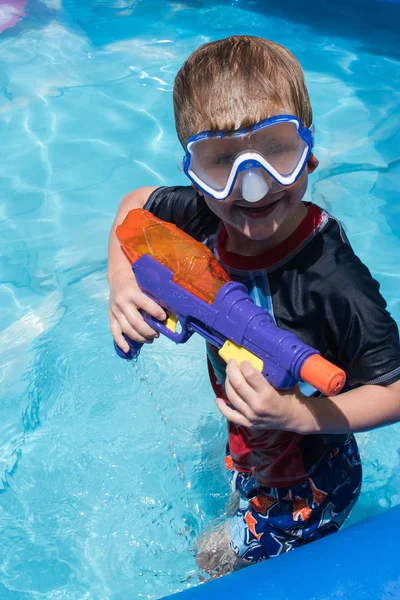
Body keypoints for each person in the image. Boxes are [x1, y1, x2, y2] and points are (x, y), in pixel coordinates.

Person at [107, 36, 400, 576]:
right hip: (256, 442)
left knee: (211, 564)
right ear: (195, 170)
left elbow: (396, 390)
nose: (253, 186)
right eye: (222, 161)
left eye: (276, 150)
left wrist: (297, 415)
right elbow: (133, 207)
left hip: (311, 479)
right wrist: (121, 281)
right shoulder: (202, 213)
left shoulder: (333, 278)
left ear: (310, 152)